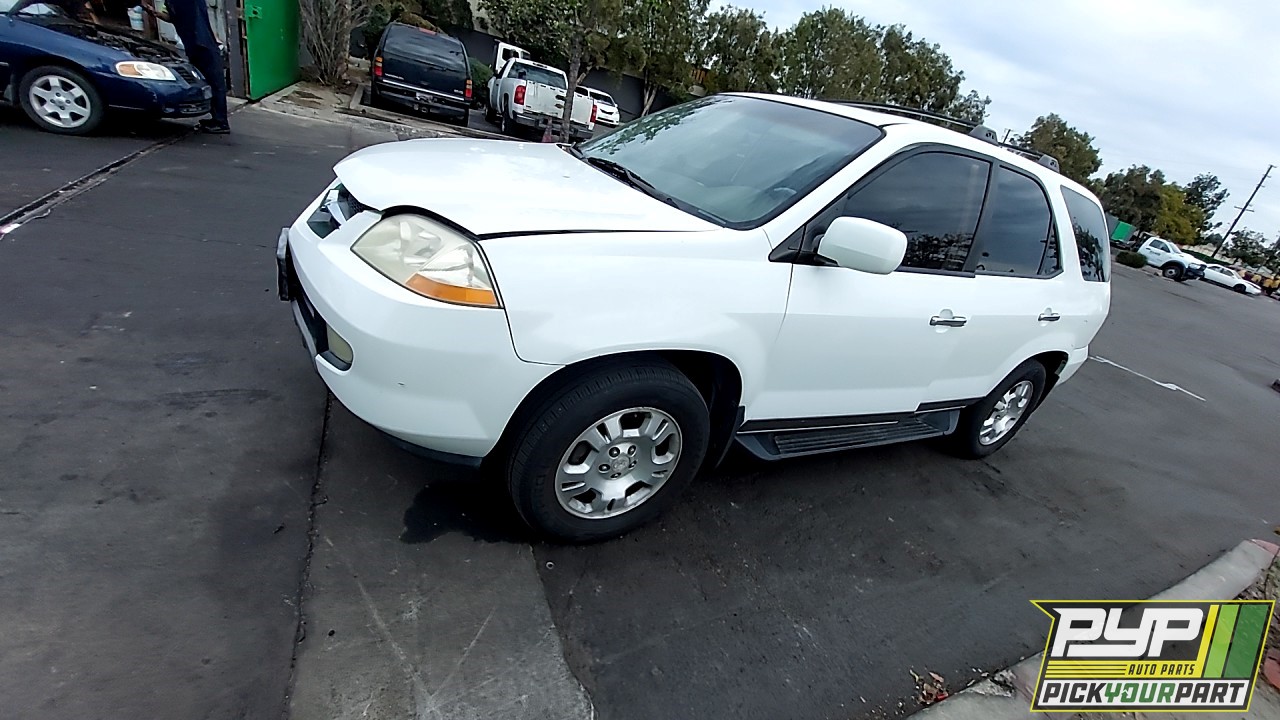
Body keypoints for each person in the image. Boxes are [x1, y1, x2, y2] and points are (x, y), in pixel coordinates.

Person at [142, 0, 229, 133]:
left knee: (215, 83)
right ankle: (216, 118)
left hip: (203, 44)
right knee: (207, 82)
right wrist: (156, 14)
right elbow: (173, 17)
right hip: (194, 44)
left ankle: (220, 121)